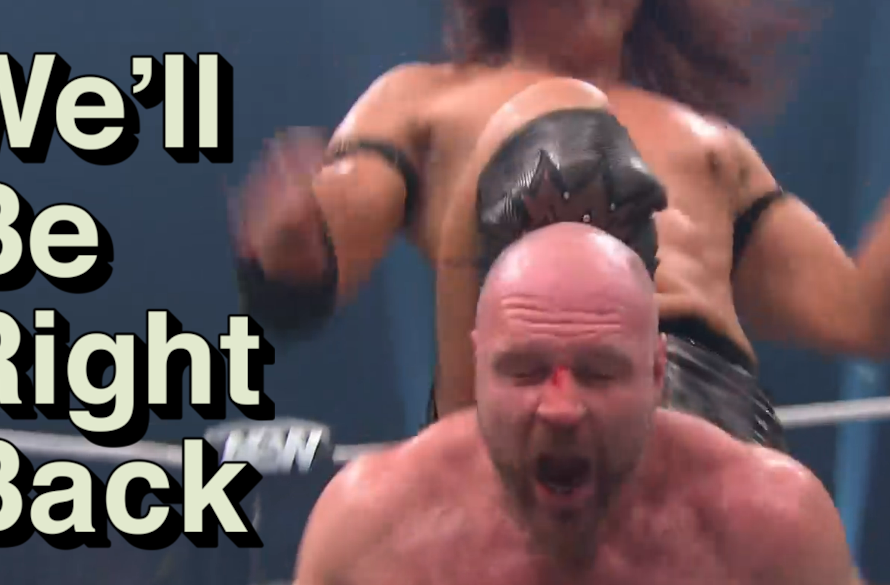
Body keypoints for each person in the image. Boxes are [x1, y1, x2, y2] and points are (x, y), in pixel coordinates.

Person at [232, 0, 890, 450]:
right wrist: (288, 249)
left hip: (703, 414)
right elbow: (318, 263)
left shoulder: (708, 142)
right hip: (520, 401)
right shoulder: (425, 99)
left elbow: (862, 318)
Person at [292, 223, 859, 585]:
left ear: (656, 373)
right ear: (479, 371)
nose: (561, 409)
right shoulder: (372, 528)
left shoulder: (773, 527)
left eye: (598, 372)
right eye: (525, 370)